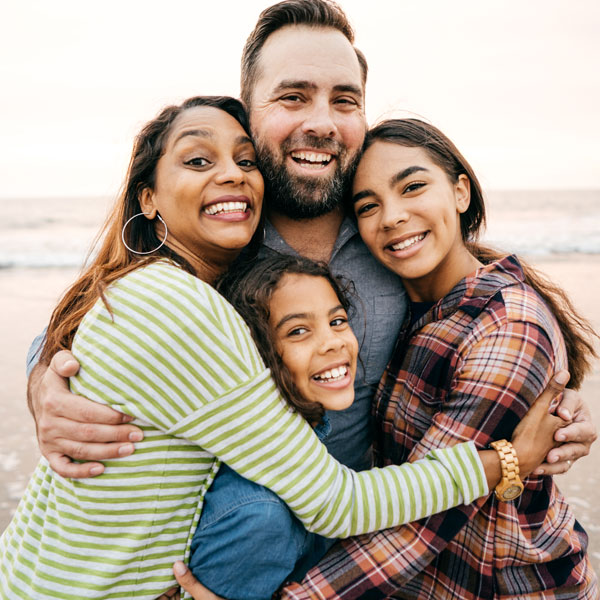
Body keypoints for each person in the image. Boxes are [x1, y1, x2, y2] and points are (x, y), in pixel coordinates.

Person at [23, 0, 597, 590]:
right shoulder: (223, 224)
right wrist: (44, 384)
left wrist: (554, 391)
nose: (321, 122)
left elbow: (476, 304)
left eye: (344, 100)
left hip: (367, 545)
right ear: (249, 111)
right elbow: (94, 315)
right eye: (293, 96)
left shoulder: (385, 226)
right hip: (242, 545)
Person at [275, 119, 599, 599]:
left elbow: (425, 518)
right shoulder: (390, 305)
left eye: (413, 187)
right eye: (369, 206)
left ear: (460, 191)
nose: (392, 216)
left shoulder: (509, 326)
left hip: (504, 586)